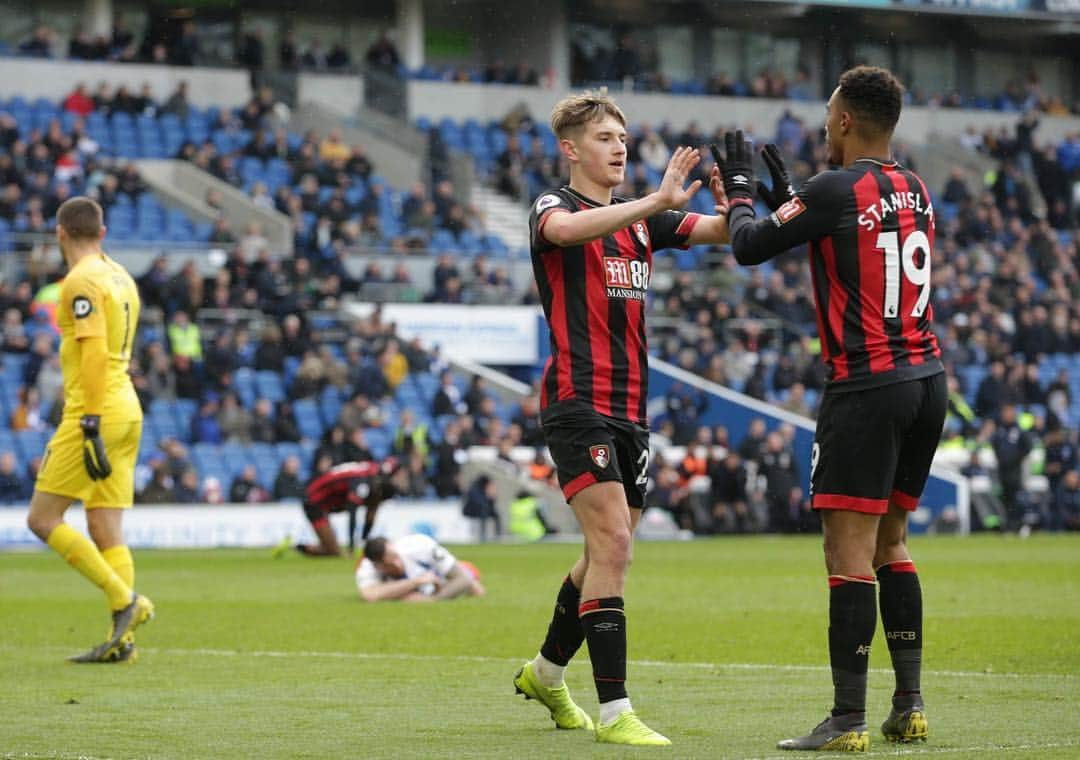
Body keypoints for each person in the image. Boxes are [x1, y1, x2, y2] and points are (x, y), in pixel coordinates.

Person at [716, 66, 944, 750]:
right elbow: (852, 239)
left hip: (868, 387)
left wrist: (740, 194)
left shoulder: (833, 187)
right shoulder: (915, 187)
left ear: (845, 120)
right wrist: (790, 196)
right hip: (928, 379)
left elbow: (750, 246)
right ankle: (909, 705)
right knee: (892, 543)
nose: (821, 123)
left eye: (827, 112)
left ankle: (846, 720)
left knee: (846, 556)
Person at [513, 90, 730, 746]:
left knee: (607, 552)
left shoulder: (645, 222)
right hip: (577, 403)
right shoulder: (555, 206)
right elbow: (566, 233)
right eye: (606, 138)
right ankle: (616, 713)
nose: (619, 148)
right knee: (613, 545)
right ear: (572, 148)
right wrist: (658, 202)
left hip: (632, 413)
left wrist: (736, 197)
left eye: (623, 139)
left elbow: (726, 235)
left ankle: (546, 674)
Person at [24, 197, 154, 664]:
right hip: (128, 409)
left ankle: (126, 601)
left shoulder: (79, 281)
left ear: (60, 233)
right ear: (101, 233)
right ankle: (123, 641)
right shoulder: (120, 276)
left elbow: (95, 352)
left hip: (94, 412)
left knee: (41, 519)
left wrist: (91, 420)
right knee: (105, 527)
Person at [279, 458, 406, 557]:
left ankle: (363, 545)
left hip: (332, 499)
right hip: (314, 500)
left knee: (373, 502)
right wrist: (351, 547)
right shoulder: (363, 481)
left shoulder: (373, 476)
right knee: (333, 552)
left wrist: (363, 544)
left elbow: (370, 512)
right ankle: (293, 545)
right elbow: (353, 511)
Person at [355, 534, 484, 602]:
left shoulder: (419, 545)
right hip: (425, 584)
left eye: (396, 557)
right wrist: (415, 582)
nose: (397, 564)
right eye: (390, 564)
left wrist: (432, 601)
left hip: (446, 573)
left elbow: (463, 578)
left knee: (475, 587)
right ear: (377, 566)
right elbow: (370, 596)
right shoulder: (366, 567)